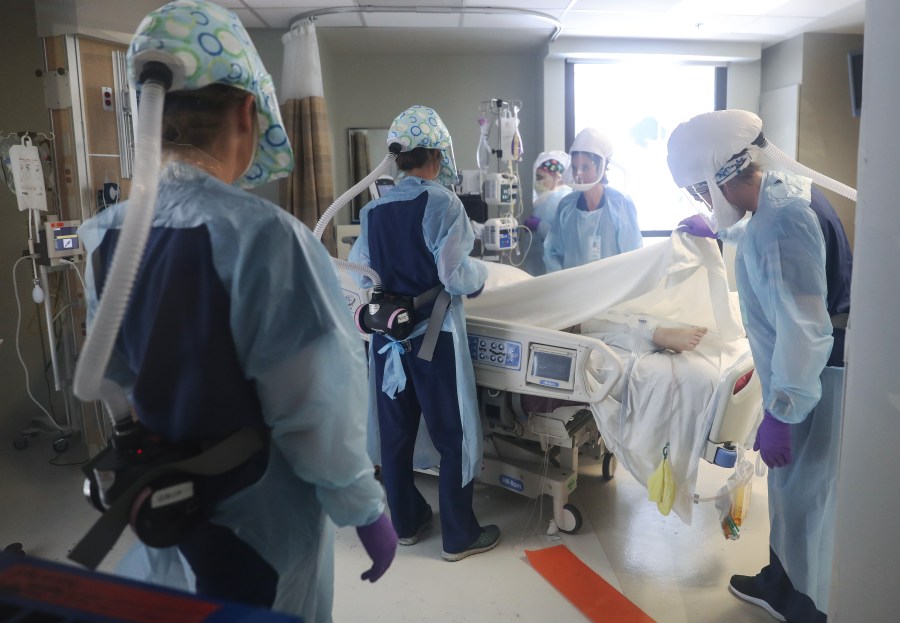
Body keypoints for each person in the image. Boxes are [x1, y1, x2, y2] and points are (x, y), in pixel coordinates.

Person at [78, 2, 395, 620]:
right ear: (249, 113)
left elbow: (113, 380)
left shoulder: (105, 237)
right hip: (260, 524)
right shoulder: (269, 241)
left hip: (163, 513)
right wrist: (364, 508)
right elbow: (318, 409)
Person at [667, 109, 852, 623]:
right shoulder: (783, 193)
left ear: (717, 177)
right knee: (790, 490)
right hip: (811, 369)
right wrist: (715, 230)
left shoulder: (781, 222)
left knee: (807, 495)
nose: (702, 201)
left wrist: (783, 410)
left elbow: (804, 328)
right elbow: (763, 250)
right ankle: (780, 579)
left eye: (700, 192)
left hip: (817, 375)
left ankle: (807, 605)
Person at [348, 105, 501, 562]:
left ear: (398, 157)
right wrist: (482, 277)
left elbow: (360, 276)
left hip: (385, 340)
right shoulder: (442, 204)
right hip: (433, 339)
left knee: (394, 437)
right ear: (437, 156)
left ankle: (408, 522)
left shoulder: (372, 211)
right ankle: (459, 536)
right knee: (452, 435)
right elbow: (456, 276)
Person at [543, 128, 643, 272]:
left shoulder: (621, 204)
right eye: (575, 167)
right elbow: (552, 252)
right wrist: (561, 283)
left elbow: (633, 257)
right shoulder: (566, 206)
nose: (578, 174)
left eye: (585, 167)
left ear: (601, 167)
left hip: (612, 290)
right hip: (573, 290)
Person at [523, 151, 571, 275]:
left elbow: (563, 237)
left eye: (541, 177)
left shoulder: (561, 199)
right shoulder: (546, 200)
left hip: (555, 270)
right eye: (536, 177)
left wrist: (539, 226)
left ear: (557, 177)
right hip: (542, 269)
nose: (537, 182)